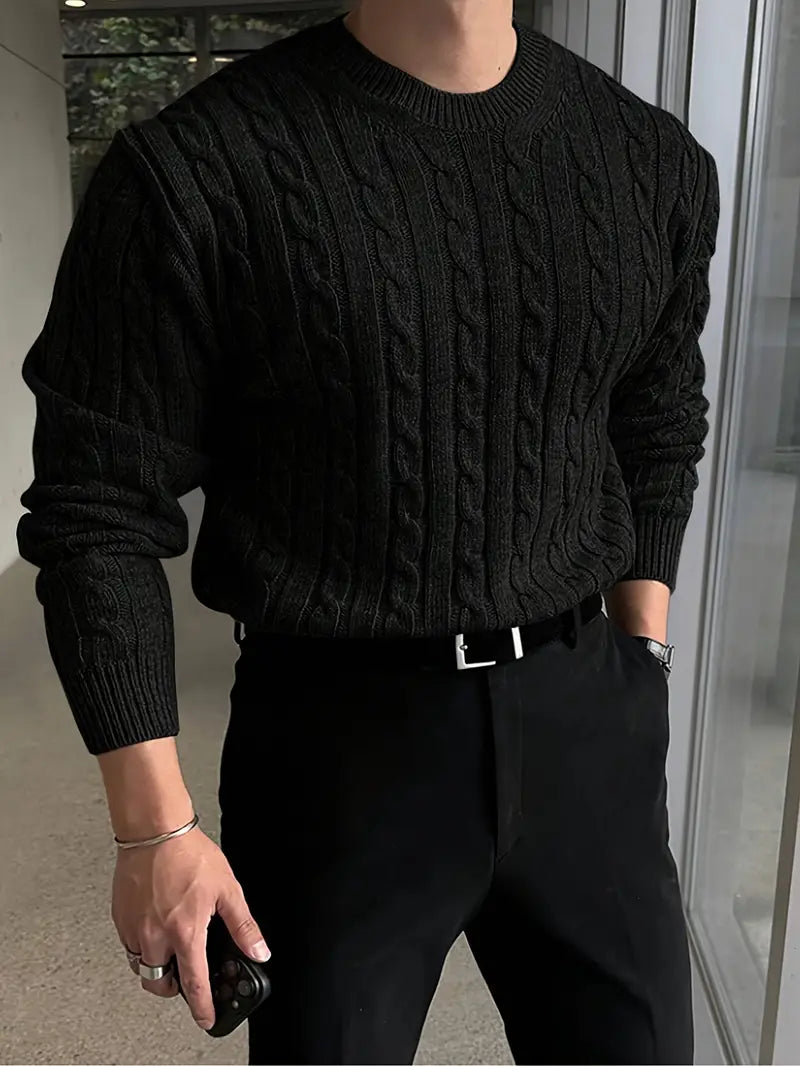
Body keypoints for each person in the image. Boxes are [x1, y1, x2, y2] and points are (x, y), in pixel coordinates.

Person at [17, 0, 719, 1062]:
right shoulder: (194, 170)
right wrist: (153, 828)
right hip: (336, 743)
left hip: (585, 714)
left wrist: (642, 656)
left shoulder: (650, 159)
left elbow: (656, 423)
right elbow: (96, 506)